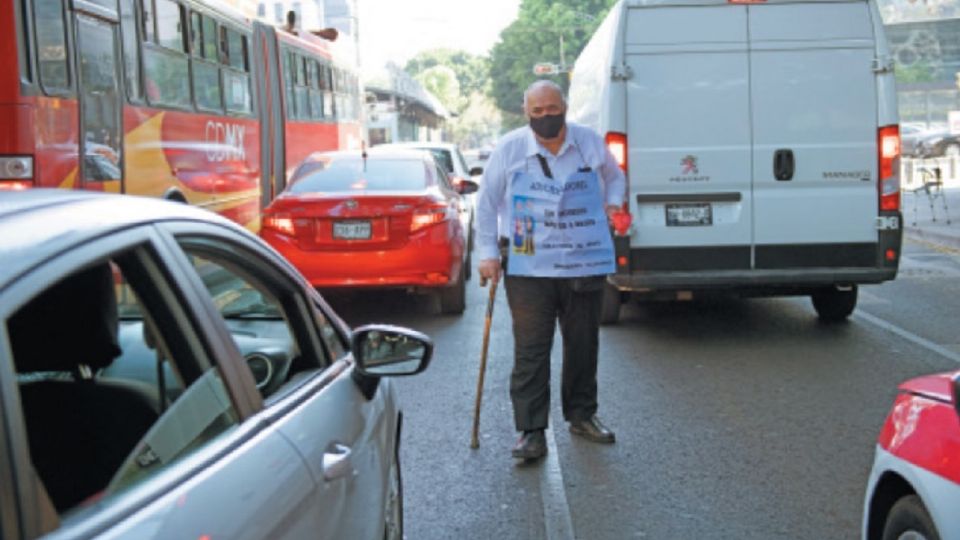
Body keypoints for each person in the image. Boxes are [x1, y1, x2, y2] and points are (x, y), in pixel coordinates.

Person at [475, 80, 626, 460]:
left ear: (564, 107)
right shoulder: (509, 149)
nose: (546, 116)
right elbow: (486, 203)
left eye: (552, 109)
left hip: (582, 259)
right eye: (537, 111)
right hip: (529, 265)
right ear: (527, 114)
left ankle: (582, 415)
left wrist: (613, 204)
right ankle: (530, 431)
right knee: (531, 348)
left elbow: (616, 177)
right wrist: (488, 253)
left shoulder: (589, 142)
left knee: (583, 343)